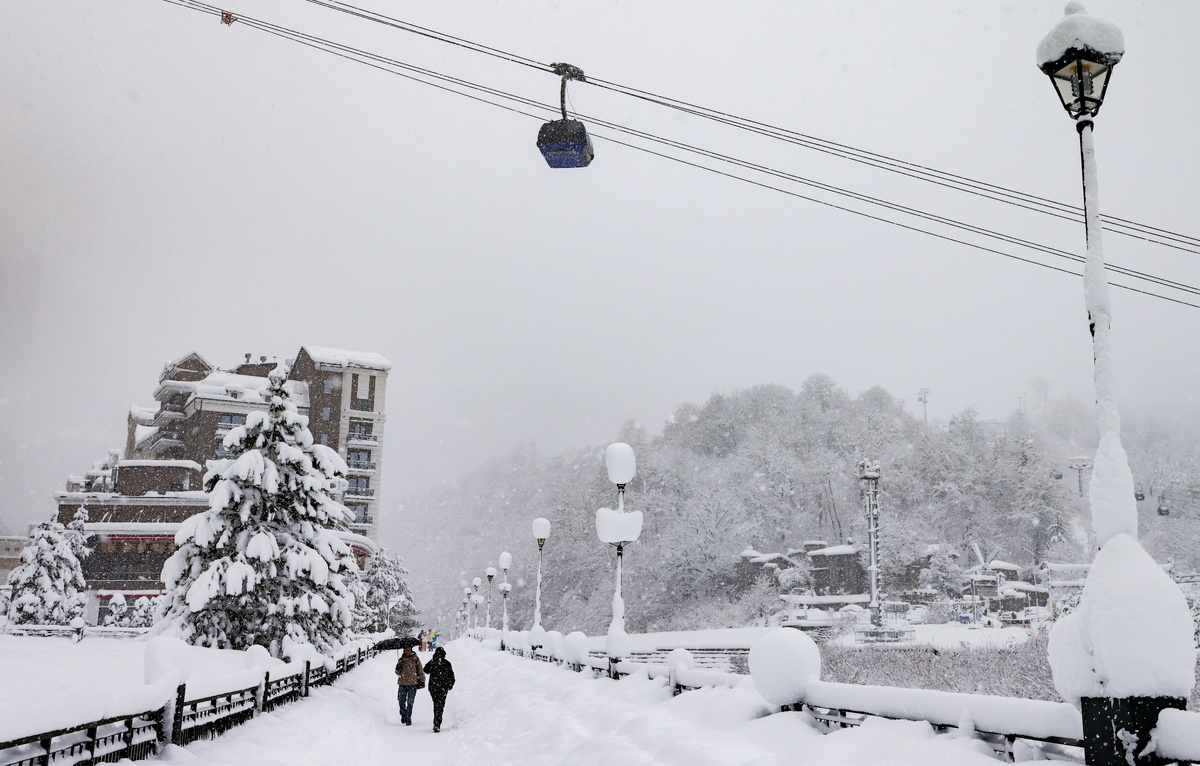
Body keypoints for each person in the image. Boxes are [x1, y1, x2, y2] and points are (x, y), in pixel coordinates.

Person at [422, 647, 455, 733]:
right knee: (440, 705)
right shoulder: (446, 663)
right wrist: (450, 685)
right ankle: (437, 723)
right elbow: (452, 676)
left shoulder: (433, 662)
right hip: (443, 688)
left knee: (437, 704)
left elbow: (425, 670)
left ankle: (436, 723)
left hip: (434, 687)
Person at [394, 645, 425, 726]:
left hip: (413, 684)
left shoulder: (415, 659)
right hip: (402, 683)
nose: (407, 651)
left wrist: (422, 681)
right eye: (406, 650)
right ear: (404, 650)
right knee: (401, 701)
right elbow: (398, 672)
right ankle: (403, 715)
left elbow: (420, 670)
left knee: (410, 702)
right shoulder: (401, 660)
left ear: (411, 650)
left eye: (408, 650)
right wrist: (398, 668)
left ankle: (408, 718)